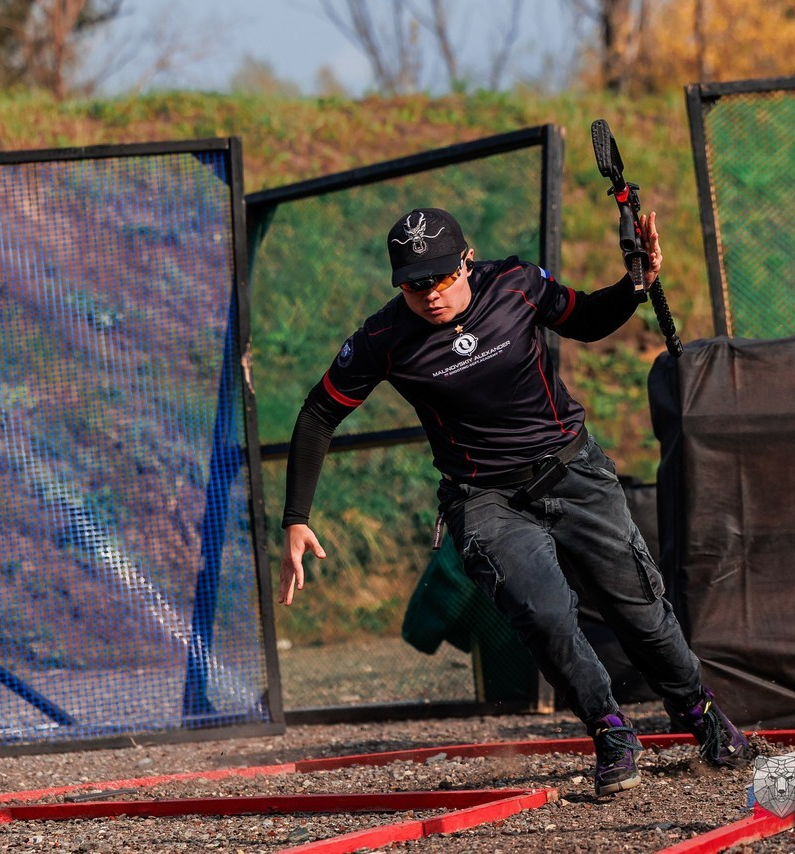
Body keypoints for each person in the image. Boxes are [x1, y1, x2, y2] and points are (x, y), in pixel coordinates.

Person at [278, 206, 751, 796]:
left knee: (641, 612)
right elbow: (319, 413)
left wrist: (638, 284)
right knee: (545, 616)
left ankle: (698, 712)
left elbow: (588, 318)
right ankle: (609, 729)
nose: (429, 294)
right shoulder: (383, 338)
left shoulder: (518, 284)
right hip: (484, 500)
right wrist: (296, 519)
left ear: (467, 260)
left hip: (572, 470)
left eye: (442, 277)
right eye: (414, 283)